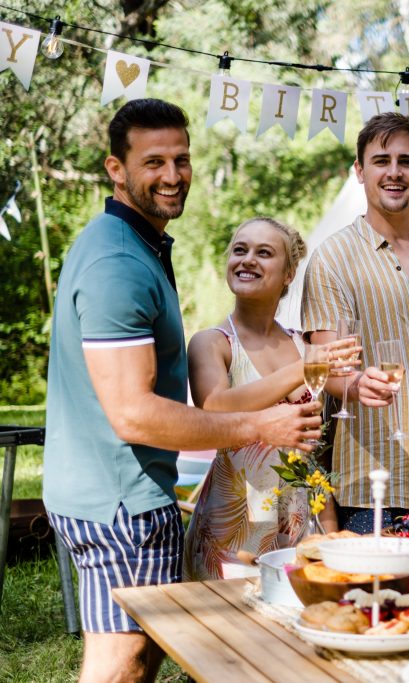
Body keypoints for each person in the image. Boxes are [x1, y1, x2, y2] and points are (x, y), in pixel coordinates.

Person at [43, 99, 321, 683]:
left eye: (182, 159)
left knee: (142, 653)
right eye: (154, 162)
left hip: (130, 490)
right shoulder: (117, 262)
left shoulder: (139, 247)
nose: (172, 176)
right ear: (116, 169)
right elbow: (134, 415)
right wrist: (259, 426)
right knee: (124, 659)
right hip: (118, 498)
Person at [302, 113, 409, 532]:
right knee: (378, 599)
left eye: (407, 160)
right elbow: (327, 368)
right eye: (381, 161)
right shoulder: (333, 258)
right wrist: (355, 383)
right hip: (377, 485)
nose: (395, 172)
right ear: (359, 172)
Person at [182, 217, 357, 580]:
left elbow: (313, 454)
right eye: (240, 250)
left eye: (264, 253)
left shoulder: (300, 343)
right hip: (234, 531)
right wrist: (304, 368)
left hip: (297, 524)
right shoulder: (212, 343)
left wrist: (330, 527)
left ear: (289, 273)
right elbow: (215, 406)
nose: (247, 260)